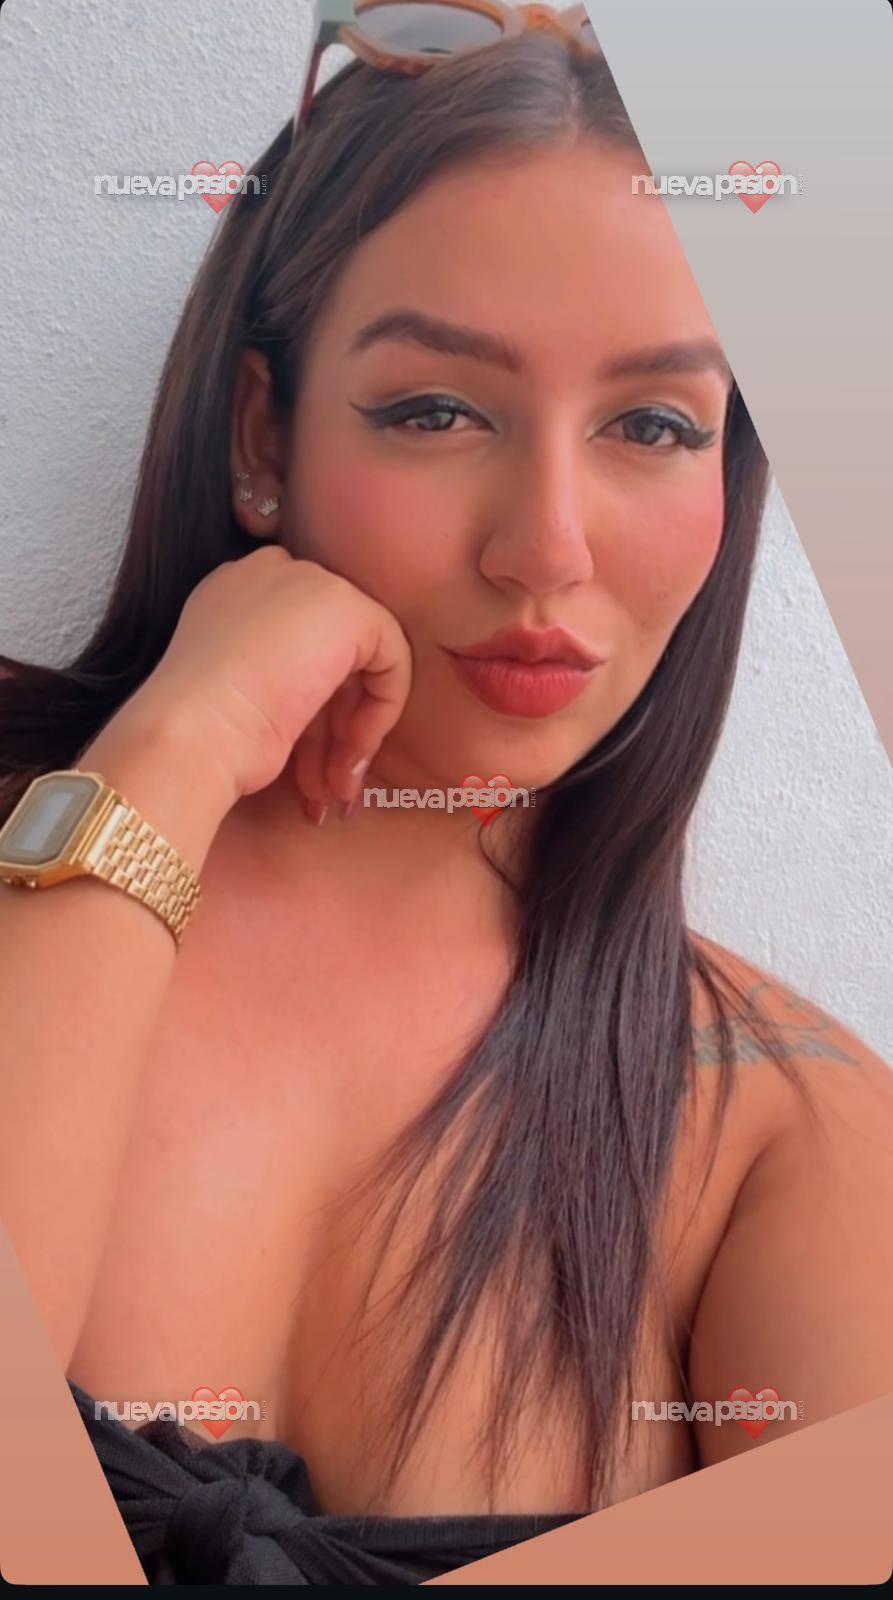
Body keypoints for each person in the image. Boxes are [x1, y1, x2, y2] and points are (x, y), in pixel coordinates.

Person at [1, 3, 891, 1586]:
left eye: (652, 424)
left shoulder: (788, 1125)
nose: (544, 545)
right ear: (263, 434)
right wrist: (172, 751)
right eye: (436, 410)